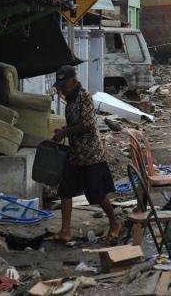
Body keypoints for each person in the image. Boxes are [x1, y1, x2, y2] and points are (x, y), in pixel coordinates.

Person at [51, 65, 120, 243]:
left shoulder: (84, 97)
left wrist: (65, 132)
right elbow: (75, 124)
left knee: (97, 193)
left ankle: (114, 224)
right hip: (75, 154)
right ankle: (65, 231)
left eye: (65, 84)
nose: (62, 89)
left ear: (74, 81)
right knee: (65, 190)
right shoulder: (70, 98)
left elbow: (88, 124)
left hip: (90, 154)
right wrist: (64, 130)